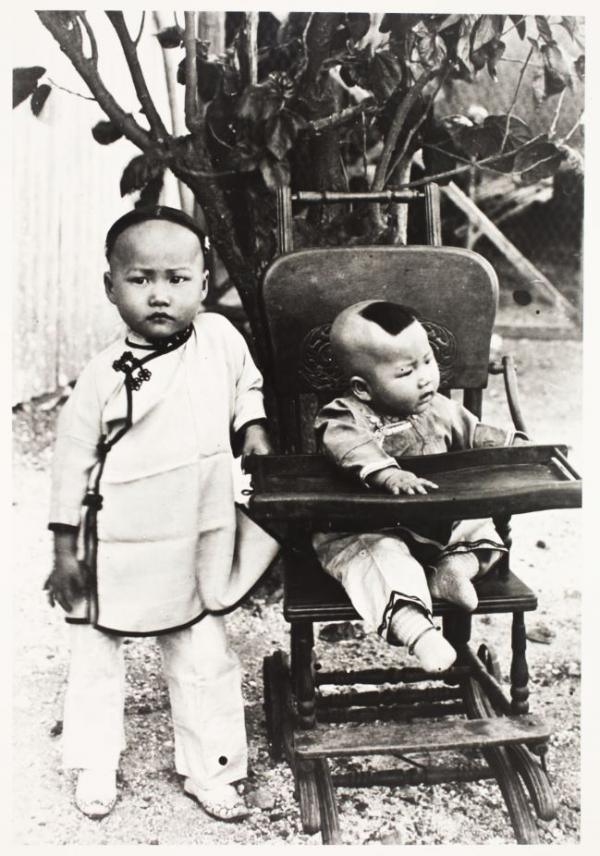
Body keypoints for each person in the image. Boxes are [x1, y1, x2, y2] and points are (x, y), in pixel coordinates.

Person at [44, 206, 278, 822]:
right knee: (97, 653)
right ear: (110, 287)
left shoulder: (222, 339)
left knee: (203, 650)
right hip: (117, 534)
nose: (159, 294)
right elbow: (72, 461)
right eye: (140, 278)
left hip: (195, 529)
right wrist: (64, 549)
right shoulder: (100, 375)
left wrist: (250, 429)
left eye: (177, 279)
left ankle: (211, 769)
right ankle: (95, 762)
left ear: (204, 283)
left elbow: (246, 386)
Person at [313, 300, 527, 673]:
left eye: (427, 361)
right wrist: (387, 473)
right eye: (406, 371)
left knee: (480, 527)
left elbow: (475, 433)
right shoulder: (344, 416)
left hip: (434, 524)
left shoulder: (438, 408)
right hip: (366, 527)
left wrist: (514, 445)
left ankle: (453, 570)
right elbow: (347, 446)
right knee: (378, 561)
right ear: (363, 388)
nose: (425, 377)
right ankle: (419, 632)